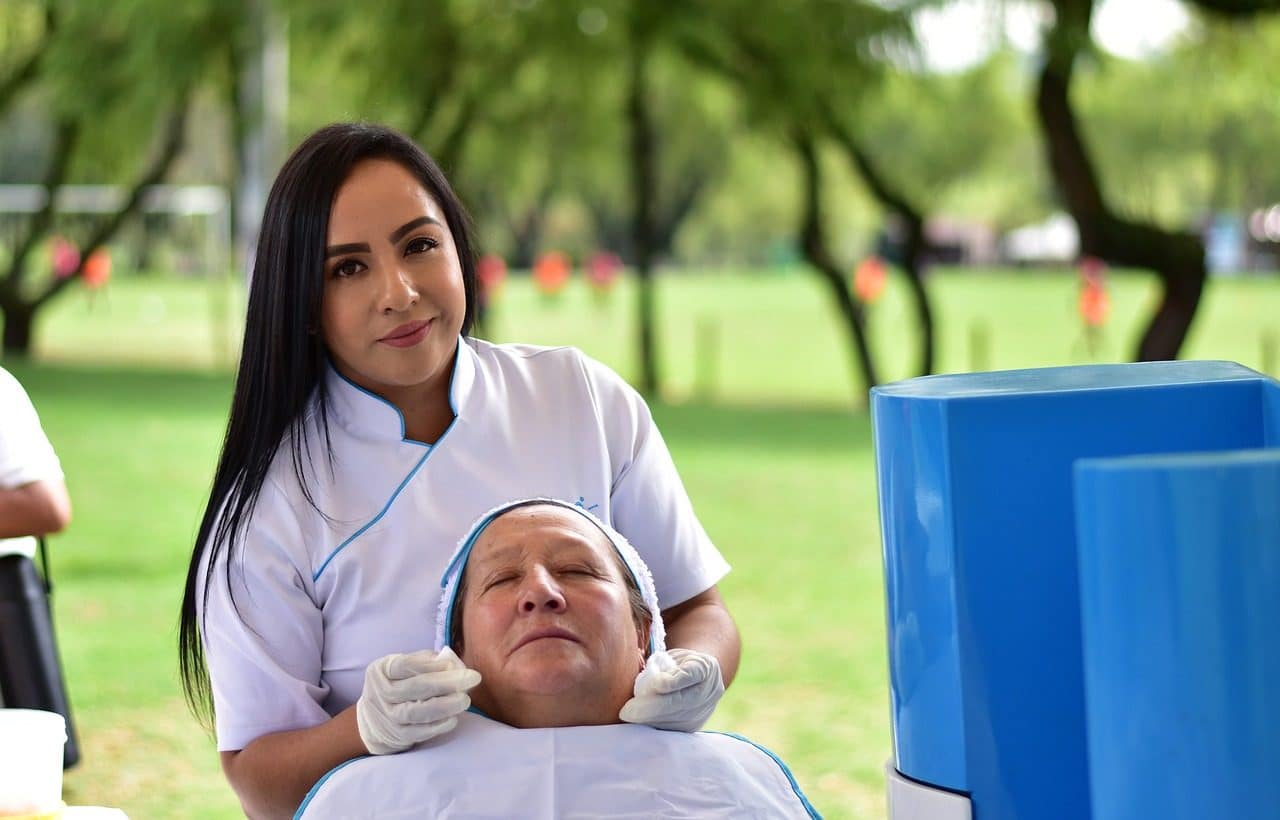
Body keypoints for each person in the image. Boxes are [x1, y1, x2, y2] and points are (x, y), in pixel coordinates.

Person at [178, 123, 740, 819]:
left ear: (460, 249)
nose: (401, 293)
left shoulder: (578, 397)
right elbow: (259, 780)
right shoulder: (273, 509)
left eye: (419, 246)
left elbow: (696, 610)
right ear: (304, 304)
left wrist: (696, 671)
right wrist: (361, 730)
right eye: (347, 268)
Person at [294, 499, 817, 819]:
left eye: (577, 571)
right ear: (458, 654)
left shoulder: (736, 784)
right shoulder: (367, 797)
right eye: (502, 579)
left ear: (643, 633)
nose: (541, 592)